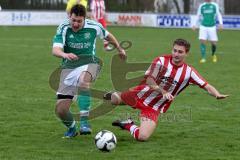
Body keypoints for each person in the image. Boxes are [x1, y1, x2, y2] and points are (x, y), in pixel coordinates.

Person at [104, 38, 228, 141]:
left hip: (154, 107)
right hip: (140, 94)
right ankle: (115, 95)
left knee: (142, 137)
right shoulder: (161, 61)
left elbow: (206, 85)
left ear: (186, 54)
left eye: (180, 52)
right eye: (175, 50)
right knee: (114, 99)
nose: (176, 54)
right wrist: (163, 92)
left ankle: (128, 124)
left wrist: (217, 94)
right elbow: (149, 80)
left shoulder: (189, 72)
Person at [52, 4, 126, 138]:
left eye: (79, 21)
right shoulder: (63, 27)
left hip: (90, 63)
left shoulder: (94, 26)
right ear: (70, 16)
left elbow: (108, 36)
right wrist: (65, 55)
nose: (75, 23)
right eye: (73, 20)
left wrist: (119, 49)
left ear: (84, 19)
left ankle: (85, 122)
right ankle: (72, 128)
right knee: (61, 110)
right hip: (68, 67)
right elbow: (55, 50)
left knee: (83, 82)